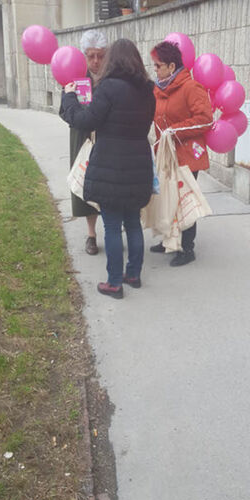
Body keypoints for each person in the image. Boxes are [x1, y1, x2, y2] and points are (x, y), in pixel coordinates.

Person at [60, 38, 155, 300]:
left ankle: (115, 283)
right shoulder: (148, 89)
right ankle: (133, 274)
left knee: (112, 226)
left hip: (110, 166)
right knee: (133, 223)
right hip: (138, 164)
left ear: (112, 60)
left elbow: (83, 120)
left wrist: (69, 98)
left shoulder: (108, 88)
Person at [150, 40, 213, 266]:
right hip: (166, 155)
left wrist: (173, 131)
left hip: (186, 155)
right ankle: (169, 240)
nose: (154, 70)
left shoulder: (191, 87)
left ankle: (187, 248)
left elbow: (205, 120)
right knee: (166, 199)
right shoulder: (159, 89)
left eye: (158, 66)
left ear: (171, 65)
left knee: (183, 201)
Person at [68, 29, 107, 255]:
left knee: (109, 184)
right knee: (86, 183)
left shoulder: (112, 77)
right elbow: (65, 111)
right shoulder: (75, 76)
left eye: (100, 55)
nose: (95, 61)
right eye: (91, 55)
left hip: (106, 136)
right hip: (82, 136)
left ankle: (114, 227)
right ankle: (91, 235)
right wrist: (68, 95)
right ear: (84, 55)